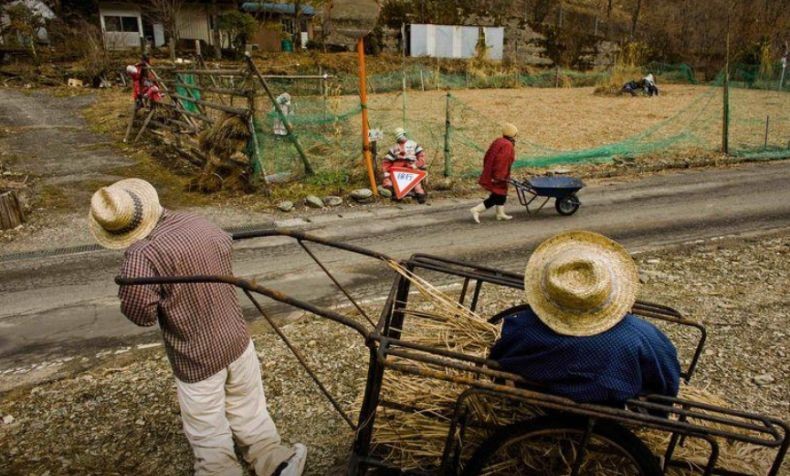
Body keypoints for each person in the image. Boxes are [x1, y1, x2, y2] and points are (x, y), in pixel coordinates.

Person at [89, 178, 307, 476]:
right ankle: (274, 462)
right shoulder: (196, 222)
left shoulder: (141, 256)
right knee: (249, 410)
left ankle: (220, 471)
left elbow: (141, 314)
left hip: (196, 356)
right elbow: (224, 247)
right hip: (235, 337)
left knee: (208, 430)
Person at [489, 230, 680, 406]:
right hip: (620, 412)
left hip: (544, 406)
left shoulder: (524, 330)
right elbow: (667, 384)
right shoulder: (645, 338)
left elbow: (499, 358)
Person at [470, 123, 518, 223]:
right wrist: (499, 176)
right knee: (497, 195)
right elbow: (502, 162)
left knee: (501, 193)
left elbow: (488, 155)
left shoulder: (498, 141)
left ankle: (500, 213)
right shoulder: (507, 145)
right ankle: (477, 210)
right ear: (513, 134)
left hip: (493, 171)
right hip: (499, 173)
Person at [381, 127, 428, 204]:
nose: (401, 138)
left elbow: (421, 155)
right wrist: (386, 171)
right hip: (397, 171)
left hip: (411, 168)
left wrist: (418, 164)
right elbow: (387, 161)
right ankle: (395, 193)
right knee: (390, 183)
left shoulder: (413, 144)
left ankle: (420, 194)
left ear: (405, 134)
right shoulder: (394, 148)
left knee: (416, 183)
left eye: (402, 135)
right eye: (399, 136)